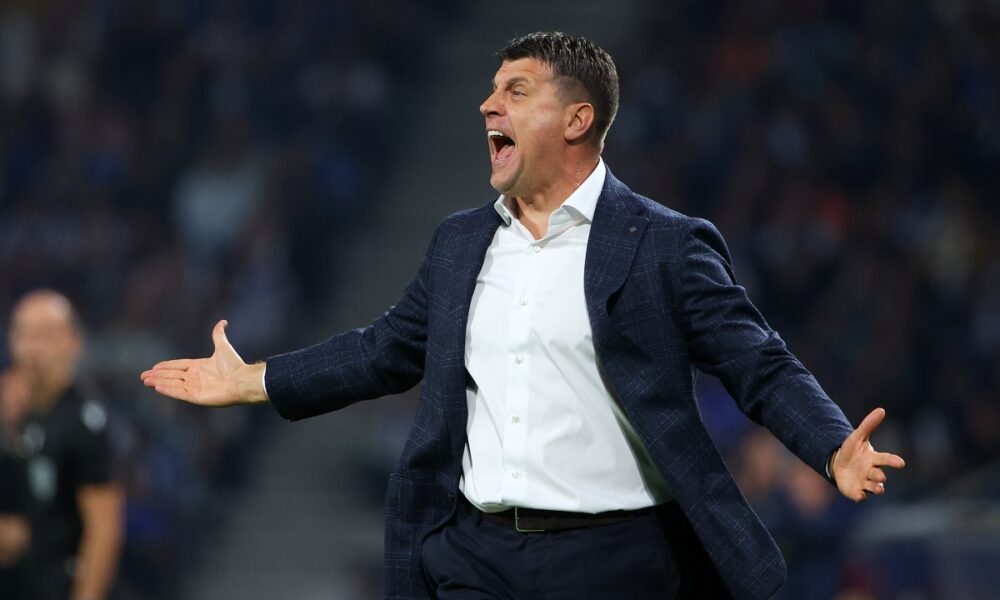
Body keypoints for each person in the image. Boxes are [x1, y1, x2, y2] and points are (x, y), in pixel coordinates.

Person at [141, 32, 905, 599]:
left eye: (514, 91)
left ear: (576, 119)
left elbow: (758, 363)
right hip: (475, 556)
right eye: (490, 91)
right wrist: (255, 382)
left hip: (619, 560)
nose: (488, 106)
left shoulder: (664, 246)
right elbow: (384, 350)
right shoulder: (459, 243)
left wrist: (830, 447)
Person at [8, 290, 124, 600]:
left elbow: (104, 529)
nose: (32, 347)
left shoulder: (84, 423)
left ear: (74, 343)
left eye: (45, 335)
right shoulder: (24, 416)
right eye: (24, 334)